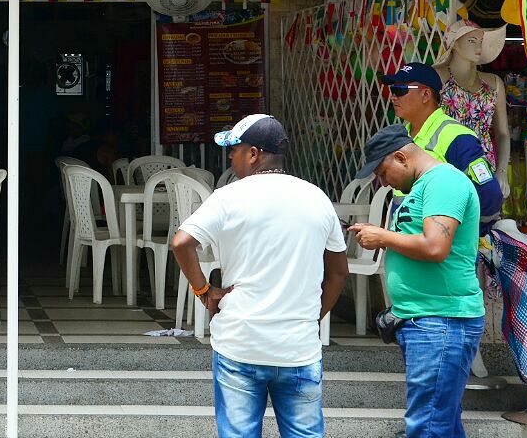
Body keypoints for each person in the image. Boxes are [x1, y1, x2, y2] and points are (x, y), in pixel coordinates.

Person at [171, 114, 348, 438]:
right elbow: (338, 272)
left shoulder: (229, 197)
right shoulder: (316, 198)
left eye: (235, 150)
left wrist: (204, 291)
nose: (230, 157)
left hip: (241, 343)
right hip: (298, 348)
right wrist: (312, 317)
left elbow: (182, 242)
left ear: (253, 154)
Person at [349, 125, 484, 438]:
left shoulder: (445, 182)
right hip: (424, 318)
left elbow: (435, 247)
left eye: (383, 173)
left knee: (427, 425)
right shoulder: (425, 186)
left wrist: (382, 236)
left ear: (401, 157)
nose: (383, 182)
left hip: (442, 320)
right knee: (441, 422)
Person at [383, 63, 503, 234]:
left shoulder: (456, 136)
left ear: (425, 94)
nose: (393, 97)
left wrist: (459, 235)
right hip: (410, 246)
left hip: (439, 253)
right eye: (392, 90)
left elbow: (489, 194)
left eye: (401, 90)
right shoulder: (404, 136)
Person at [433, 20, 510, 186]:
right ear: (455, 44)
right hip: (445, 164)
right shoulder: (438, 78)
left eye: (480, 42)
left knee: (485, 211)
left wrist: (502, 172)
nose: (478, 47)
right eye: (471, 41)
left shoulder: (494, 84)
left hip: (484, 165)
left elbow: (503, 133)